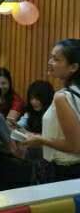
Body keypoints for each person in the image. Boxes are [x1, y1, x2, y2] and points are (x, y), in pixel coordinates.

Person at [24, 39, 80, 182]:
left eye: (56, 59)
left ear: (73, 67)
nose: (50, 62)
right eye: (51, 57)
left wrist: (41, 139)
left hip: (65, 170)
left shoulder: (62, 97)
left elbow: (75, 145)